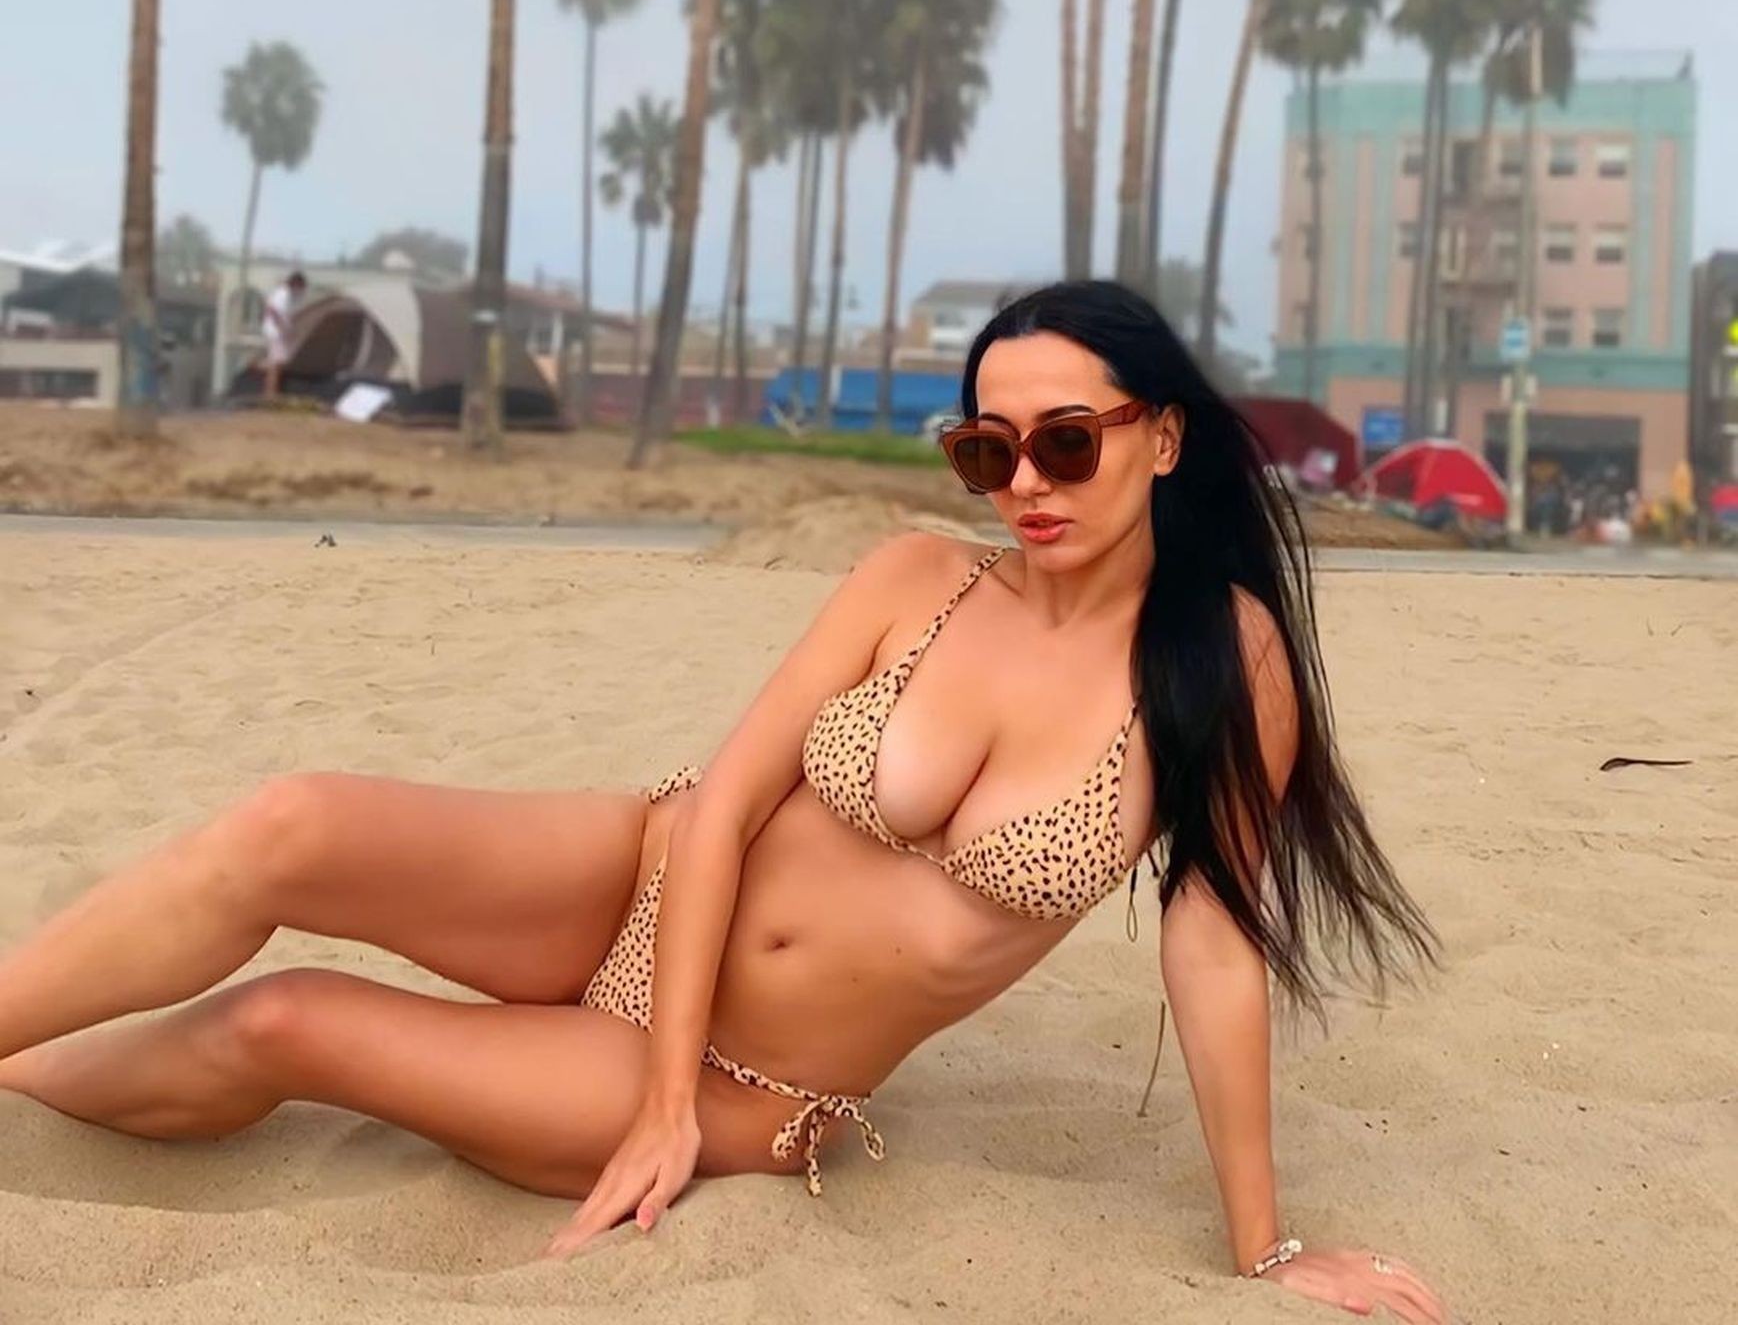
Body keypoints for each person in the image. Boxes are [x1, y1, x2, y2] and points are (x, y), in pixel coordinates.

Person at [0, 281, 1444, 1317]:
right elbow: (729, 800)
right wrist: (649, 1064)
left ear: (1162, 437)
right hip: (638, 878)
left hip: (741, 1083)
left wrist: (1264, 1248)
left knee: (285, 1022)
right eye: (986, 450)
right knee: (293, 822)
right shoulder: (914, 578)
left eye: (1065, 440)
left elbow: (1213, 945)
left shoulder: (1225, 662)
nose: (1025, 482)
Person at [260, 269, 307, 399]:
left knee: (278, 363)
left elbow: (288, 315)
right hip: (276, 333)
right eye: (301, 287)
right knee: (276, 364)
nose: (301, 290)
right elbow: (272, 310)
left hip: (280, 333)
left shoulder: (291, 296)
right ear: (295, 284)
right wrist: (283, 329)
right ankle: (270, 395)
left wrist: (290, 330)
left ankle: (272, 392)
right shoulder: (283, 294)